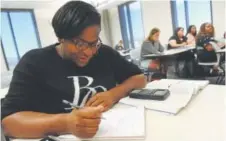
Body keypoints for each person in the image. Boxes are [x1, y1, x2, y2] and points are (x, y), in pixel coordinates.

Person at [1, 1, 146, 139]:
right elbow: (8, 123)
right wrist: (67, 123)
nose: (88, 52)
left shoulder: (104, 53)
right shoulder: (34, 62)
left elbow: (140, 78)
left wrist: (114, 94)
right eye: (79, 43)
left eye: (93, 43)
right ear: (61, 37)